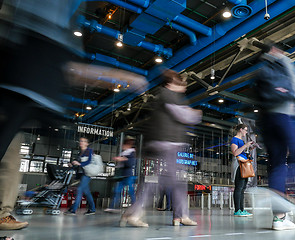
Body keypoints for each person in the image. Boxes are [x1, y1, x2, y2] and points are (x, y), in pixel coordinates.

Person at [0, 0, 147, 230]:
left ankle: (4, 213)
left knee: (12, 159)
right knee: (11, 157)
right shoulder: (46, 26)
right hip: (23, 90)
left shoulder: (57, 32)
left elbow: (74, 71)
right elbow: (75, 71)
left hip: (31, 93)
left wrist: (122, 77)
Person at [120, 69, 201, 227]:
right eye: (181, 84)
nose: (184, 87)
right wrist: (196, 114)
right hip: (166, 143)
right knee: (164, 180)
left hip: (170, 144)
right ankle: (134, 212)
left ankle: (181, 215)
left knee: (177, 181)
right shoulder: (167, 95)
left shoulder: (171, 96)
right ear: (171, 83)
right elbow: (184, 116)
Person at [256, 45, 295, 230]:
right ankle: (279, 195)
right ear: (275, 49)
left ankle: (279, 218)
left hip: (265, 120)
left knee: (276, 163)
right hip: (284, 115)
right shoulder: (282, 62)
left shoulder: (261, 69)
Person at [64, 137, 96, 215]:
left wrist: (80, 163)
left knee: (79, 190)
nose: (81, 142)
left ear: (87, 143)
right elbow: (78, 165)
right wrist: (72, 164)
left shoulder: (89, 151)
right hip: (81, 174)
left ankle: (73, 210)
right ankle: (92, 209)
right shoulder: (80, 152)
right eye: (80, 141)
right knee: (87, 192)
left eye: (83, 141)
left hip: (87, 174)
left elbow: (89, 162)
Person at [105, 136, 137, 213]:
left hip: (128, 175)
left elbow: (131, 164)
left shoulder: (131, 153)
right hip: (123, 176)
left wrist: (123, 159)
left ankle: (135, 206)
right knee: (117, 191)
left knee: (130, 191)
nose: (122, 147)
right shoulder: (124, 154)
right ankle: (113, 207)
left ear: (128, 145)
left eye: (124, 145)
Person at [230, 124, 254, 217]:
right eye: (245, 130)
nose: (246, 132)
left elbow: (242, 152)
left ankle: (242, 209)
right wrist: (245, 145)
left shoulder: (241, 141)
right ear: (241, 129)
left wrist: (250, 148)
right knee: (239, 187)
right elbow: (235, 152)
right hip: (239, 165)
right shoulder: (235, 139)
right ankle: (237, 210)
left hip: (245, 164)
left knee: (243, 188)